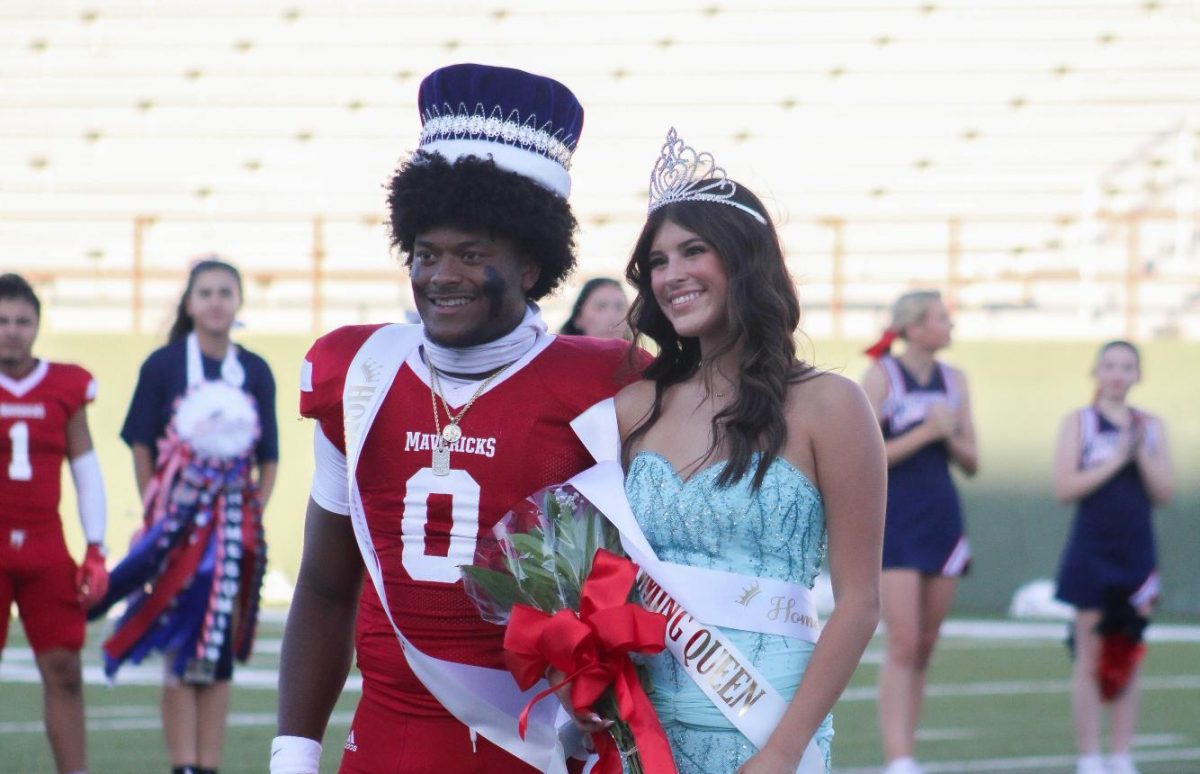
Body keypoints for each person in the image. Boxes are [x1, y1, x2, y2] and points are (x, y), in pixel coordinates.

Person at [273, 63, 643, 774]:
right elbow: (324, 584)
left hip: (537, 741)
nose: (443, 275)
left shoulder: (603, 381)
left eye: (473, 255)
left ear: (531, 266)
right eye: (427, 253)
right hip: (387, 740)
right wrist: (293, 751)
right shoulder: (360, 371)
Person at [605, 128, 885, 773]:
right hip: (636, 735)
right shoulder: (631, 410)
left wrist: (784, 751)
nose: (671, 274)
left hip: (761, 732)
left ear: (743, 260)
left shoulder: (831, 406)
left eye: (692, 251)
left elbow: (860, 602)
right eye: (657, 261)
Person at [89, 258, 277, 774]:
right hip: (174, 533)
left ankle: (208, 764)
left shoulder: (255, 370)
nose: (216, 301)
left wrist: (248, 517)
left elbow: (269, 457)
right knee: (178, 646)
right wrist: (158, 510)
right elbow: (141, 443)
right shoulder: (163, 366)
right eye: (206, 292)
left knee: (215, 653)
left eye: (225, 292)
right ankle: (184, 764)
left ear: (238, 301)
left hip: (231, 533)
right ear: (190, 303)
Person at [859, 290, 978, 774]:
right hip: (896, 518)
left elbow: (973, 460)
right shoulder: (881, 375)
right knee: (904, 641)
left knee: (927, 643)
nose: (949, 326)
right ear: (914, 325)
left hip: (942, 515)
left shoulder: (956, 380)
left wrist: (948, 434)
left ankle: (910, 751)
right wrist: (925, 434)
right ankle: (898, 758)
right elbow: (864, 455)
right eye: (941, 318)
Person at [0, 273, 108, 774]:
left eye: (23, 321)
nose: (12, 331)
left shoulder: (65, 385)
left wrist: (96, 546)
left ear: (38, 326)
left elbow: (86, 469)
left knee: (64, 669)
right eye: (2, 321)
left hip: (45, 546)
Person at [1052, 341, 1173, 774]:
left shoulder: (1150, 426)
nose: (1118, 374)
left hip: (1136, 551)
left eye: (1127, 366)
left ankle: (1121, 754)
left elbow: (1164, 493)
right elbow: (1065, 487)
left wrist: (1138, 451)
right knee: (1089, 655)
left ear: (1139, 375)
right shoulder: (1080, 423)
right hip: (1091, 548)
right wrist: (1116, 458)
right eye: (1110, 366)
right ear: (1097, 372)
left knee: (1129, 650)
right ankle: (1090, 756)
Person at [559, 277, 630, 339]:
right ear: (579, 317)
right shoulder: (556, 353)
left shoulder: (637, 353)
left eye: (620, 307)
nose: (612, 316)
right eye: (601, 307)